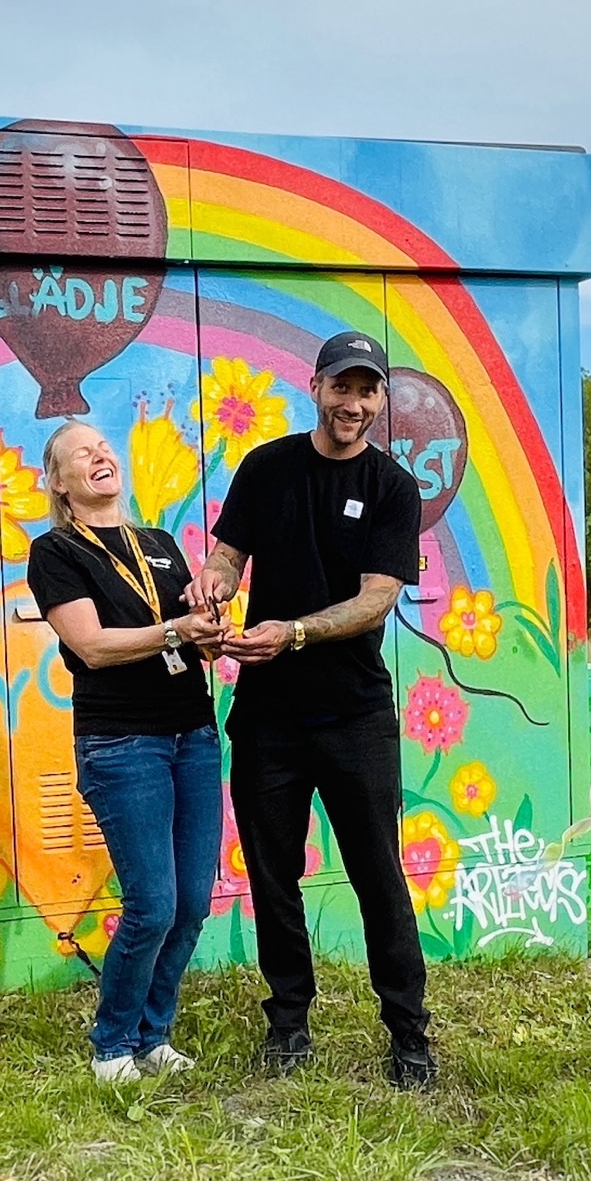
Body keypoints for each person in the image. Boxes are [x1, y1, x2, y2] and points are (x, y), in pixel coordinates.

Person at [192, 331, 434, 1089]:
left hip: (355, 715)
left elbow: (375, 600)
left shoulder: (394, 488)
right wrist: (213, 585)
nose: (352, 405)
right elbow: (228, 553)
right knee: (272, 876)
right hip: (267, 715)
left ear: (379, 400)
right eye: (341, 388)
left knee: (377, 877)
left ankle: (409, 1034)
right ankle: (288, 1026)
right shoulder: (267, 466)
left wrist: (294, 631)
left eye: (366, 392)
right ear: (316, 387)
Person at [27, 423, 227, 1086]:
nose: (98, 455)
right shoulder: (54, 550)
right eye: (80, 454)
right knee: (153, 904)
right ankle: (112, 1044)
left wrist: (210, 630)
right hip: (121, 744)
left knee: (193, 902)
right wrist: (175, 627)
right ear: (59, 482)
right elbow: (92, 646)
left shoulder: (159, 545)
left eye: (103, 447)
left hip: (192, 735)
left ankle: (152, 1035)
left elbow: (185, 642)